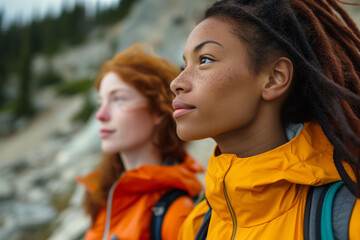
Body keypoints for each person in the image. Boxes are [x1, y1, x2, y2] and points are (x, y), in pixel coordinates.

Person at [170, 0, 360, 239]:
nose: (176, 82)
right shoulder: (197, 227)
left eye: (205, 59)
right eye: (184, 64)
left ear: (274, 78)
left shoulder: (348, 218)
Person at [76, 43, 204, 240]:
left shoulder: (177, 212)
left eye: (118, 99)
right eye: (101, 103)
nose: (100, 115)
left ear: (158, 111)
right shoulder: (108, 195)